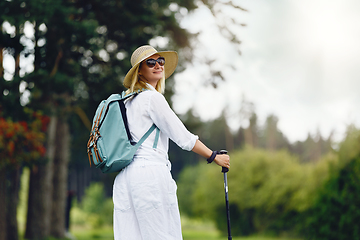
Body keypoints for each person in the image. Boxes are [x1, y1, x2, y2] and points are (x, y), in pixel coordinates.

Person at [112, 45, 230, 240]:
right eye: (151, 62)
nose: (158, 65)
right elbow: (183, 138)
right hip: (150, 175)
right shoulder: (152, 98)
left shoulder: (126, 102)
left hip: (125, 178)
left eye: (161, 61)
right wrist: (213, 156)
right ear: (139, 71)